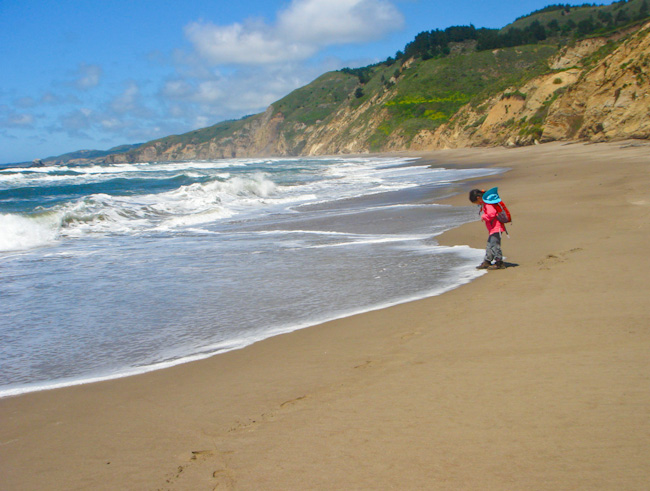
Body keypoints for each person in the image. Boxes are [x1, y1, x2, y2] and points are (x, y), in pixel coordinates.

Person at [469, 188, 506, 270]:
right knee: (490, 245)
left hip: (496, 227)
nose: (477, 204)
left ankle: (499, 262)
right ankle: (487, 261)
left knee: (494, 245)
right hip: (494, 228)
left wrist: (484, 216)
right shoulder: (487, 203)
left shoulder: (487, 204)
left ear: (478, 198)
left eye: (476, 202)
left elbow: (492, 214)